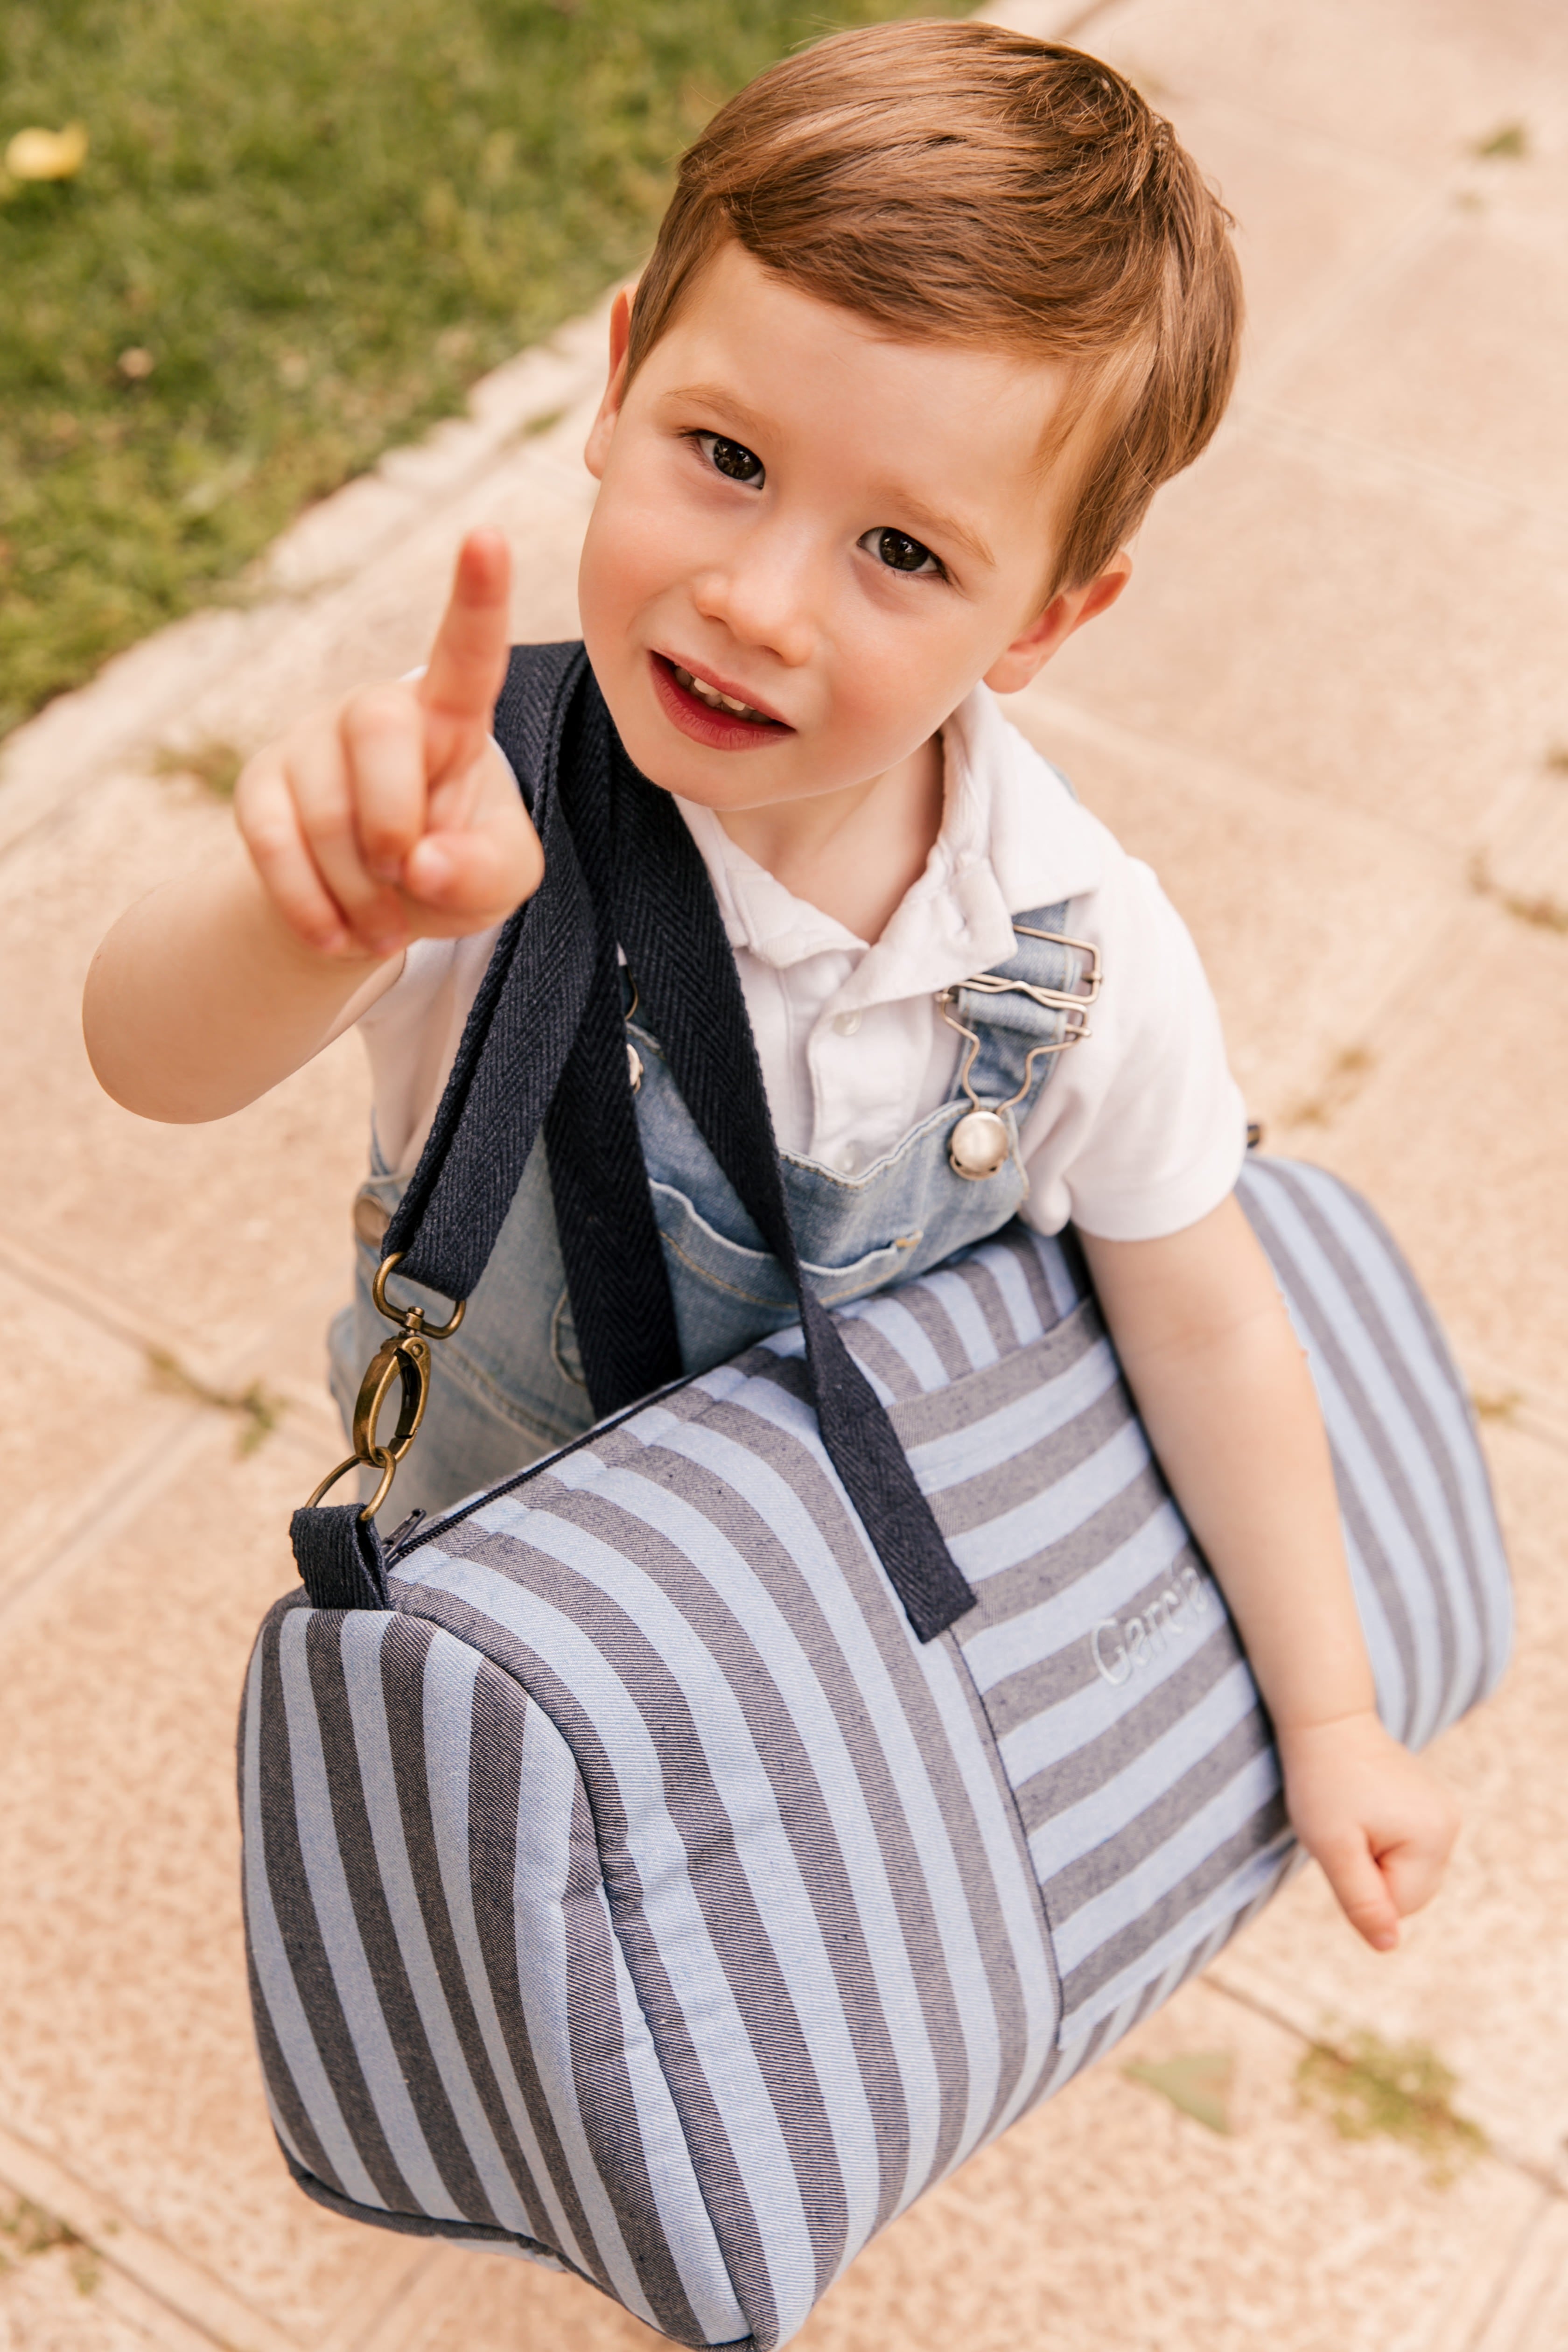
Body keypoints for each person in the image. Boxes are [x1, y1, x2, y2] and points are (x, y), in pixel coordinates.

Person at [84, 21, 1456, 1953]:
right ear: (622, 369)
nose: (762, 598)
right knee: (531, 1932)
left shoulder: (1065, 940)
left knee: (774, 1945)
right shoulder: (476, 823)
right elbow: (143, 1059)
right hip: (517, 1603)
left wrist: (1330, 1718)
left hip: (836, 1641)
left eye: (903, 549)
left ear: (1053, 614)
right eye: (724, 457)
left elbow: (1208, 1319)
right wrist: (309, 915)